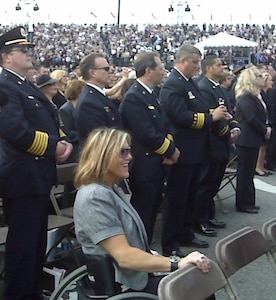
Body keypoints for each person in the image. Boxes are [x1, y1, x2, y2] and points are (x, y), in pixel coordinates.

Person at [73, 127, 213, 298]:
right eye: (123, 152)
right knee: (197, 287)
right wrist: (177, 263)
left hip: (135, 276)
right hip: (124, 286)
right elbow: (125, 257)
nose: (130, 157)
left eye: (129, 151)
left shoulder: (111, 189)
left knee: (199, 281)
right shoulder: (94, 196)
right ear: (103, 155)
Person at [0, 26, 73, 299]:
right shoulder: (4, 86)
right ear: (7, 57)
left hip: (36, 175)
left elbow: (50, 118)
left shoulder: (22, 83)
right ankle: (19, 294)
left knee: (35, 242)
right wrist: (55, 148)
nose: (29, 53)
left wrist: (63, 141)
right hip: (22, 177)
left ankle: (31, 289)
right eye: (23, 50)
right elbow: (16, 131)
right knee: (23, 244)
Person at [159, 44, 229, 256]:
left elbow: (196, 108)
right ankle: (170, 243)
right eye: (195, 62)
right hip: (183, 150)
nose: (198, 67)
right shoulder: (173, 85)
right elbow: (180, 116)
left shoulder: (188, 83)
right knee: (177, 198)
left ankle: (185, 232)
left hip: (196, 149)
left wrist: (214, 114)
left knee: (189, 196)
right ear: (182, 62)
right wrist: (211, 117)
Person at [119, 51, 180, 245]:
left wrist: (169, 147)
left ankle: (145, 252)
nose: (164, 72)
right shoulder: (134, 97)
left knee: (152, 211)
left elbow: (163, 126)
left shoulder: (150, 94)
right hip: (144, 166)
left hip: (156, 162)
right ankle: (139, 257)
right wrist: (170, 151)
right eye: (161, 68)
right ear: (148, 71)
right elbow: (146, 133)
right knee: (143, 214)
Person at [193, 55, 240, 236]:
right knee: (205, 184)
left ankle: (209, 216)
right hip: (212, 144)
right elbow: (213, 119)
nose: (223, 68)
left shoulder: (217, 87)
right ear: (209, 68)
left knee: (213, 183)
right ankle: (200, 220)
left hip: (222, 144)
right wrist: (227, 134)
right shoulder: (204, 88)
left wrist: (235, 128)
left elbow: (227, 113)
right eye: (219, 65)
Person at [235, 66, 271, 214]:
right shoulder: (245, 97)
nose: (262, 77)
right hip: (246, 139)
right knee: (245, 173)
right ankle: (243, 203)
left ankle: (249, 201)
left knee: (249, 173)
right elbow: (251, 118)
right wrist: (264, 129)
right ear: (251, 79)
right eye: (258, 76)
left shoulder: (255, 96)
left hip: (252, 138)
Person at [75, 53, 123, 147]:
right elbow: (101, 142)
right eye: (106, 69)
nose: (111, 71)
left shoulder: (97, 96)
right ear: (92, 73)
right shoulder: (89, 103)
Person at [59, 78, 86, 163]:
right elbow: (67, 132)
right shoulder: (65, 110)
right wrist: (85, 135)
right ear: (78, 93)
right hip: (75, 149)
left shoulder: (83, 107)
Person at [255, 72, 274, 176]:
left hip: (267, 121)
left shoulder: (267, 93)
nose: (272, 82)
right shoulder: (260, 93)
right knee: (261, 146)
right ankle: (258, 167)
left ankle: (261, 166)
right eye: (270, 80)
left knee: (264, 146)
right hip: (262, 122)